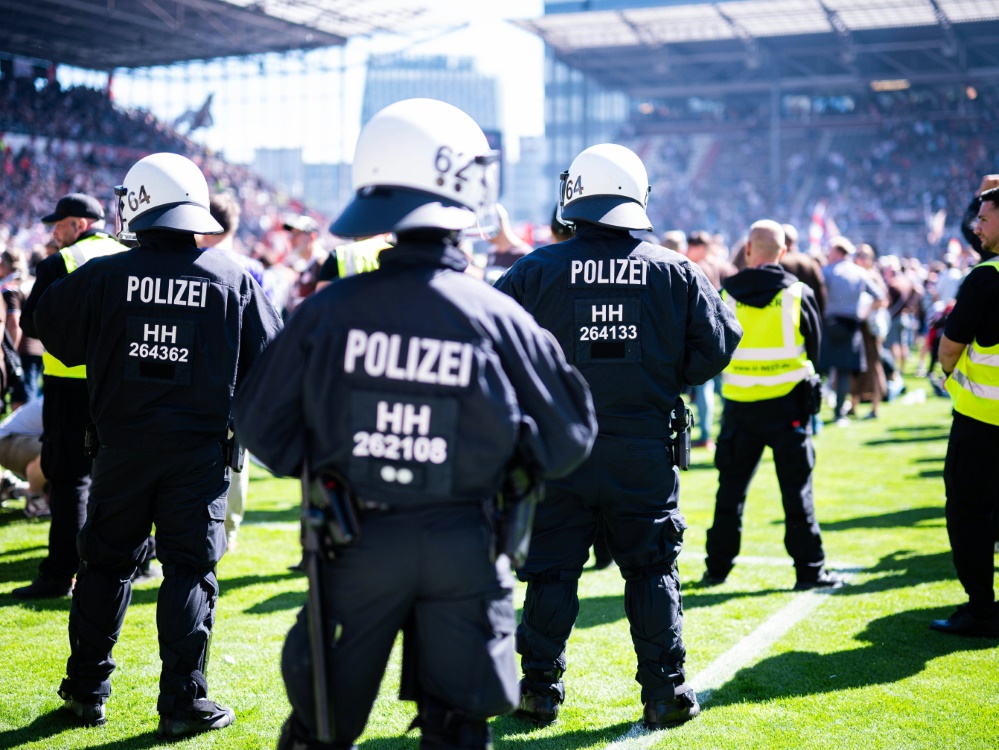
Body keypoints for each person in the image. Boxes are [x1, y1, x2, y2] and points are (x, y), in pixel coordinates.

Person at [233, 98, 597, 750]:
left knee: (319, 725)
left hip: (354, 539)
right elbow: (569, 436)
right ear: (471, 189)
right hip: (466, 542)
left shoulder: (327, 310)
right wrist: (500, 460)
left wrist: (327, 461)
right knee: (458, 728)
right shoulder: (497, 313)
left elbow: (260, 426)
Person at [32, 153, 283, 734]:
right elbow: (271, 364)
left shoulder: (101, 274)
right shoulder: (232, 276)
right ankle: (183, 704)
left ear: (138, 204)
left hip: (120, 449)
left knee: (105, 566)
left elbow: (52, 330)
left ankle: (86, 690)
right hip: (198, 455)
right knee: (190, 573)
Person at [495, 143, 742, 730]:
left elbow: (491, 342)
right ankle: (665, 693)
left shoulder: (535, 268)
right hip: (642, 446)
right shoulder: (676, 269)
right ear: (637, 195)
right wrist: (663, 379)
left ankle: (538, 692)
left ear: (576, 194)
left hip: (557, 447)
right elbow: (719, 343)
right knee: (651, 569)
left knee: (551, 572)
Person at [703, 220, 844, 590]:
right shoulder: (799, 293)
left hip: (739, 409)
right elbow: (815, 353)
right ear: (782, 253)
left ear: (748, 250)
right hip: (788, 411)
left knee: (729, 494)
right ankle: (810, 571)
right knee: (797, 494)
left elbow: (712, 351)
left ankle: (716, 569)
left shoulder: (725, 294)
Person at [13, 193, 128, 600]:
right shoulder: (129, 254)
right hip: (118, 383)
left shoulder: (61, 262)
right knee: (122, 475)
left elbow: (31, 323)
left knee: (68, 479)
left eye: (59, 225)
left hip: (69, 384)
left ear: (79, 225)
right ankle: (141, 561)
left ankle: (61, 574)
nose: (53, 232)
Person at [932, 187, 999, 638]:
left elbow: (949, 350)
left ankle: (982, 609)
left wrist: (951, 374)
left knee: (969, 514)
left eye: (984, 218)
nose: (976, 226)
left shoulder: (987, 277)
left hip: (983, 422)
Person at [195, 193, 267, 552]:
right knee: (237, 453)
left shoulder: (196, 261)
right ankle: (229, 528)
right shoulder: (252, 267)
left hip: (199, 370)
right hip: (241, 376)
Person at [819, 236, 886, 425]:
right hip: (852, 325)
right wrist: (862, 313)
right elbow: (880, 297)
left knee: (823, 368)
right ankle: (839, 412)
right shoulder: (860, 273)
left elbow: (819, 294)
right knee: (844, 372)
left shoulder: (828, 271)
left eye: (830, 250)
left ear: (838, 252)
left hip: (831, 323)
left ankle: (817, 410)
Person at [283, 214, 327, 314]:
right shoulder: (302, 266)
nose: (291, 239)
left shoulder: (324, 264)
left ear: (312, 236)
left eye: (297, 234)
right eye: (291, 235)